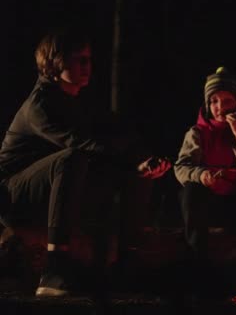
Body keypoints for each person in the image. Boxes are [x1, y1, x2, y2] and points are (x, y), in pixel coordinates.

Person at [0, 28, 171, 297]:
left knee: (138, 172)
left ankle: (125, 263)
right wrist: (127, 158)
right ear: (55, 62)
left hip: (60, 191)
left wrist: (142, 161)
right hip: (15, 197)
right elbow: (79, 143)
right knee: (72, 158)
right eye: (78, 59)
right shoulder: (40, 104)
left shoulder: (79, 103)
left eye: (88, 59)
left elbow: (117, 136)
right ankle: (54, 270)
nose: (86, 66)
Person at [174, 67, 236, 264]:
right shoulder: (198, 133)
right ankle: (197, 259)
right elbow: (181, 167)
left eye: (227, 101)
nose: (220, 107)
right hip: (209, 200)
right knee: (191, 191)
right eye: (214, 101)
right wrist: (202, 175)